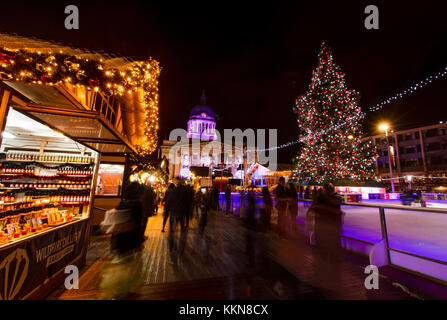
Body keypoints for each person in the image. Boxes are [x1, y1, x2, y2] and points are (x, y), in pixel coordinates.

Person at [312, 183, 343, 296]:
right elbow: (315, 206)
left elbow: (336, 204)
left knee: (332, 248)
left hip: (331, 228)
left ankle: (332, 274)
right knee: (325, 250)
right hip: (325, 228)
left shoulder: (334, 197)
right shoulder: (322, 197)